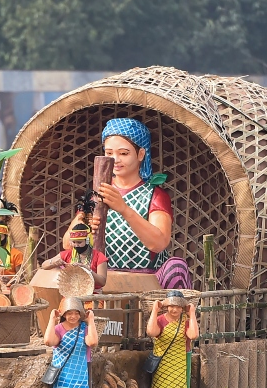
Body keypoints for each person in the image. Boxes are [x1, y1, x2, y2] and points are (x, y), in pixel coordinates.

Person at [73, 118, 192, 289]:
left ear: (141, 154)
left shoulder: (154, 195)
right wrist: (85, 224)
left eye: (123, 153)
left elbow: (158, 243)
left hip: (146, 281)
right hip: (103, 276)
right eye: (109, 153)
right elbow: (67, 242)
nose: (115, 160)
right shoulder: (95, 195)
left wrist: (124, 209)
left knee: (176, 268)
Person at [146, 291, 199, 388]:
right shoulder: (160, 320)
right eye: (171, 306)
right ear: (166, 306)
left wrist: (191, 314)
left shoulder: (185, 320)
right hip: (163, 365)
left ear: (182, 308)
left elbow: (193, 335)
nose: (174, 310)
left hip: (181, 364)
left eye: (178, 307)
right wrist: (154, 310)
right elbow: (151, 332)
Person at [41, 221, 108, 290]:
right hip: (71, 293)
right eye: (74, 242)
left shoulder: (99, 256)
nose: (76, 245)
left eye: (79, 242)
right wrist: (53, 262)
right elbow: (44, 266)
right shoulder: (67, 254)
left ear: (88, 240)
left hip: (93, 295)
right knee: (70, 301)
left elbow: (102, 282)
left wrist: (88, 270)